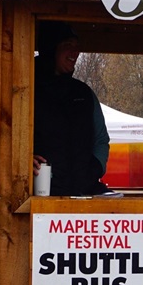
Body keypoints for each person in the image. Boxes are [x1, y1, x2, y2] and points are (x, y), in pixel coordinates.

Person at [32, 21, 111, 196]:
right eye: (68, 45)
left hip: (83, 194)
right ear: (51, 48)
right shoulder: (25, 88)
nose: (75, 52)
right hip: (33, 197)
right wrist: (22, 161)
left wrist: (95, 168)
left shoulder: (84, 93)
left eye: (77, 46)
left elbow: (101, 139)